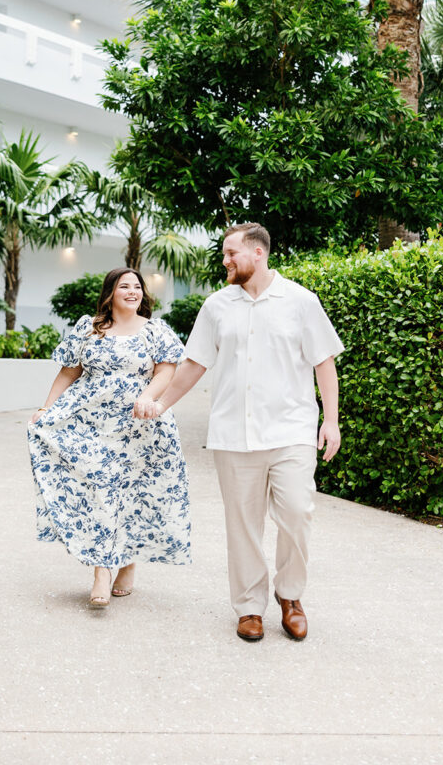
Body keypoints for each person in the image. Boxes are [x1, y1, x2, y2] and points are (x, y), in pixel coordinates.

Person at [134, 222, 343, 642]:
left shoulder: (300, 302)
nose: (225, 261)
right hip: (233, 433)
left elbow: (324, 362)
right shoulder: (216, 306)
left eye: (231, 253)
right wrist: (160, 404)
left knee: (297, 514)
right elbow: (194, 364)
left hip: (291, 431)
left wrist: (331, 421)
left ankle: (290, 596)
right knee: (243, 524)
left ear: (258, 253)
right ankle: (249, 608)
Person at [28, 267, 191, 608]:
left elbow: (167, 369)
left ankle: (127, 563)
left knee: (129, 491)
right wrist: (46, 409)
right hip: (89, 419)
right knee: (100, 488)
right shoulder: (89, 327)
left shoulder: (155, 330)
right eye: (124, 286)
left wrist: (148, 397)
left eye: (137, 287)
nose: (132, 292)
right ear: (111, 293)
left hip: (138, 423)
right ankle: (102, 570)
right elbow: (70, 371)